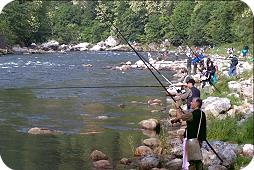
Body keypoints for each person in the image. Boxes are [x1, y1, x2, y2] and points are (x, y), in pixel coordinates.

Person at [171, 97, 207, 170]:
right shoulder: (202, 113)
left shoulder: (192, 114)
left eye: (192, 102)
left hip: (192, 140)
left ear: (197, 104)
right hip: (199, 139)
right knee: (198, 160)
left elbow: (179, 117)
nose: (191, 103)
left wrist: (177, 108)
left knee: (192, 161)